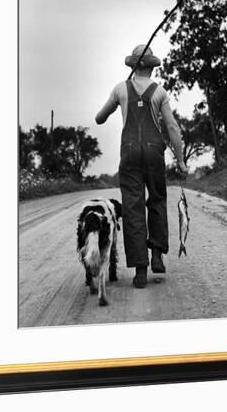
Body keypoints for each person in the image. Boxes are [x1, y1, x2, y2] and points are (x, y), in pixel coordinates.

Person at [95, 44, 187, 289]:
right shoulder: (160, 92)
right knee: (156, 200)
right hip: (154, 153)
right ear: (152, 67)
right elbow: (172, 128)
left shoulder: (120, 89)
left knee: (133, 207)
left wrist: (118, 98)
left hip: (129, 154)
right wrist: (180, 160)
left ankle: (140, 270)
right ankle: (157, 255)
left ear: (133, 66)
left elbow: (99, 118)